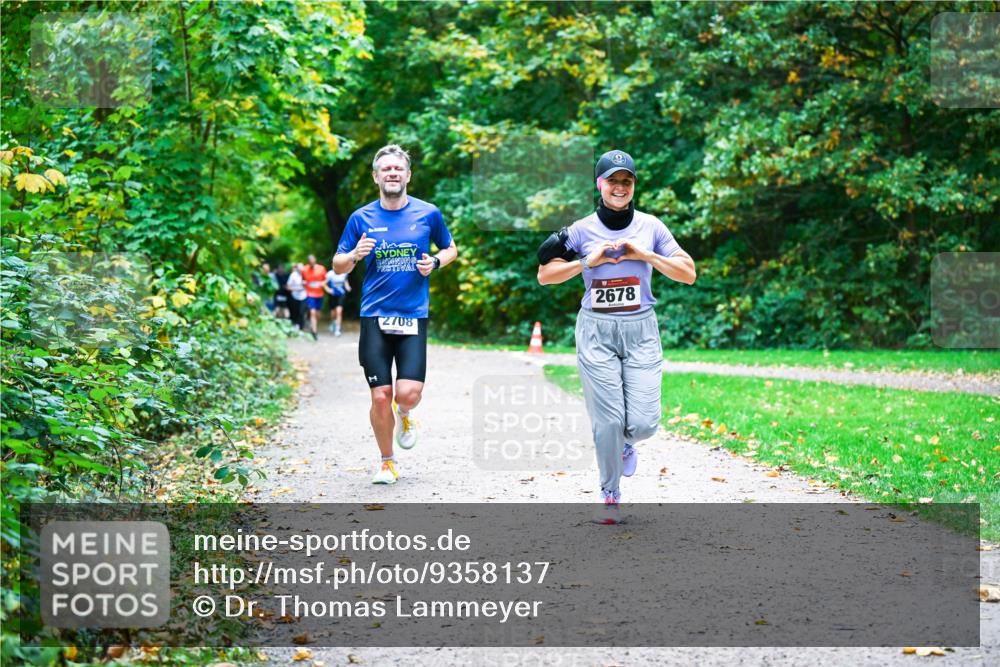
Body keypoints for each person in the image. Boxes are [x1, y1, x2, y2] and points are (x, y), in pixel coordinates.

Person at [537, 149, 696, 524]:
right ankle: (610, 493)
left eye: (626, 181)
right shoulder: (580, 230)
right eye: (613, 181)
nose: (620, 187)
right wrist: (587, 262)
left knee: (643, 424)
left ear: (634, 185)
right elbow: (545, 273)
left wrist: (645, 254)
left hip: (641, 329)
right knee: (607, 421)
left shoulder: (651, 227)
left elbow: (688, 272)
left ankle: (626, 444)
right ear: (600, 184)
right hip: (596, 331)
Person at [332, 144, 457, 485]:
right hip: (375, 315)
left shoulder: (428, 213)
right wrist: (355, 254)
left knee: (407, 395)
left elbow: (451, 248)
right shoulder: (361, 218)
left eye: (397, 169)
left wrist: (435, 262)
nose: (392, 173)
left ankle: (405, 415)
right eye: (385, 169)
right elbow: (338, 264)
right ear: (376, 177)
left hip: (413, 315)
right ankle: (387, 462)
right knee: (380, 394)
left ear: (407, 175)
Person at [301, 254, 327, 341]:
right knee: (312, 312)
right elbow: (302, 280)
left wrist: (323, 283)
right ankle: (314, 332)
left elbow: (325, 279)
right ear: (308, 262)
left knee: (317, 314)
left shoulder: (321, 268)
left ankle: (313, 325)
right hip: (310, 294)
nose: (312, 263)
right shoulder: (304, 269)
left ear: (315, 260)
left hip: (319, 294)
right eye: (310, 262)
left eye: (313, 261)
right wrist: (304, 282)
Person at [324, 264, 351, 336]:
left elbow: (345, 282)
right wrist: (328, 290)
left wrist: (348, 287)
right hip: (332, 295)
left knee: (339, 311)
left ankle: (337, 329)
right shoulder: (330, 274)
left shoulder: (344, 273)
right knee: (333, 313)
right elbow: (324, 284)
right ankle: (333, 322)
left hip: (341, 294)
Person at [287, 263, 307, 331]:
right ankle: (296, 325)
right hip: (295, 296)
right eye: (299, 268)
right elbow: (288, 287)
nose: (301, 269)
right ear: (297, 268)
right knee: (296, 312)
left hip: (304, 296)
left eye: (302, 268)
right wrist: (297, 289)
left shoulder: (306, 274)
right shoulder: (293, 275)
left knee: (302, 312)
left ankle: (301, 327)